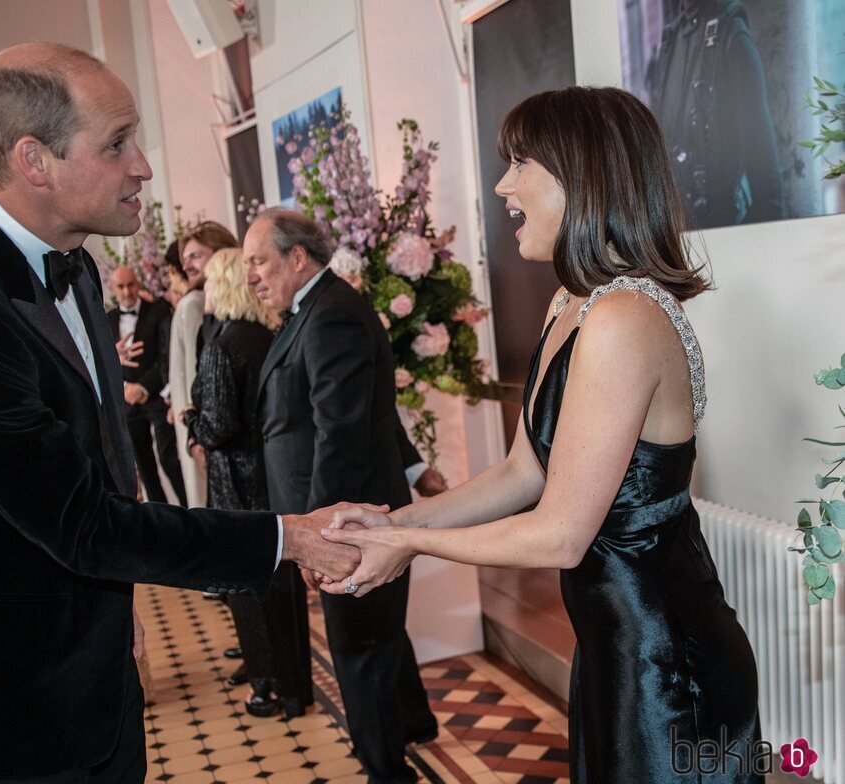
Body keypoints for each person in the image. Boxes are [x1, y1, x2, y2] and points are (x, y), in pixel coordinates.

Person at [0, 42, 360, 782]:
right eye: (115, 143)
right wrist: (285, 537)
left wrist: (113, 607)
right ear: (34, 160)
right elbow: (80, 523)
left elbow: (100, 465)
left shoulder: (77, 266)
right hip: (16, 689)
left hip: (92, 652)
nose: (143, 165)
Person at [323, 86, 761, 783]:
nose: (502, 184)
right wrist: (390, 521)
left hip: (669, 665)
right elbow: (524, 475)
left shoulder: (624, 319)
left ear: (581, 172)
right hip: (616, 648)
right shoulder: (574, 304)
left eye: (520, 161)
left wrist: (409, 545)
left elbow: (560, 533)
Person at [245, 209, 437, 783]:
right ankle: (415, 721)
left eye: (258, 260)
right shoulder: (318, 310)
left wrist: (319, 536)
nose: (251, 274)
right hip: (345, 510)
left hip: (347, 518)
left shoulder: (332, 316)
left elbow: (342, 433)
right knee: (378, 632)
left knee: (360, 649)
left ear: (296, 257)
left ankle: (386, 771)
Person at [184, 247, 301, 716]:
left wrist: (192, 420)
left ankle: (265, 686)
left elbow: (217, 427)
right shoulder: (270, 335)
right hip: (272, 475)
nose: (205, 290)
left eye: (211, 280)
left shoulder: (222, 345)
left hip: (236, 482)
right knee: (279, 584)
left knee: (246, 587)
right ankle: (294, 686)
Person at [646, 0, 783, 229]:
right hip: (676, 238)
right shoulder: (670, 41)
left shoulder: (732, 38)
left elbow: (768, 195)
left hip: (723, 233)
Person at [168, 221, 238, 510]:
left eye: (196, 255)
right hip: (197, 423)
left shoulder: (197, 303)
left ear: (221, 254)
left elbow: (200, 372)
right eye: (185, 257)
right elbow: (189, 373)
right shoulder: (193, 303)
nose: (187, 263)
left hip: (202, 423)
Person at [107, 266, 187, 505]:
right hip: (126, 400)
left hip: (157, 397)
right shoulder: (106, 319)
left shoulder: (159, 312)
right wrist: (123, 387)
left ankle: (189, 507)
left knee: (168, 456)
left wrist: (142, 387)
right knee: (142, 464)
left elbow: (166, 355)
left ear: (138, 284)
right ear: (113, 289)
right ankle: (161, 516)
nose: (127, 291)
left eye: (130, 285)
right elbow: (103, 358)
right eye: (120, 287)